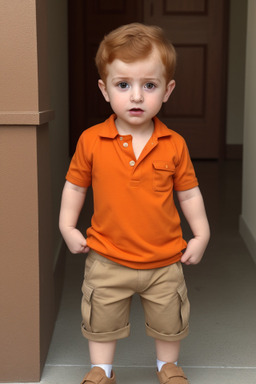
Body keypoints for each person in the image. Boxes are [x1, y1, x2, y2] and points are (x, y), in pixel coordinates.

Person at [59, 23, 210, 384]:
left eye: (150, 85)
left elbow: (188, 193)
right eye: (123, 85)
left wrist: (201, 234)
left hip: (164, 259)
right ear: (105, 89)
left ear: (168, 90)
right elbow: (75, 187)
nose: (137, 96)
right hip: (107, 256)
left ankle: (167, 367)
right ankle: (102, 370)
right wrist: (66, 226)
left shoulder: (174, 144)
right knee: (102, 318)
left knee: (168, 318)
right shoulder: (92, 140)